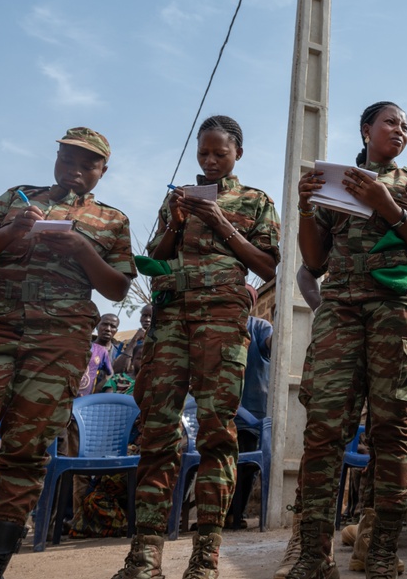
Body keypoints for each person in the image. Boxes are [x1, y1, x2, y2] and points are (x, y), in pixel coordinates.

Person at [0, 127, 135, 578]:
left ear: (103, 171)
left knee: (26, 453)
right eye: (68, 159)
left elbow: (118, 286)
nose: (76, 170)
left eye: (88, 164)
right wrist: (12, 230)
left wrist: (83, 250)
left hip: (59, 341)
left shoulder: (112, 220)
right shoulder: (17, 198)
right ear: (56, 159)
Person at [112, 115, 280, 579]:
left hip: (222, 322)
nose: (208, 161)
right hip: (171, 320)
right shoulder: (177, 199)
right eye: (203, 154)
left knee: (216, 432)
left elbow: (268, 266)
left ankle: (205, 553)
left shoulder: (257, 201)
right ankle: (144, 553)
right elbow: (156, 263)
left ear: (237, 154)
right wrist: (179, 220)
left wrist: (220, 221)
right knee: (157, 429)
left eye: (218, 153)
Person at [287, 100, 407, 579]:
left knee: (391, 429)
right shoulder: (338, 182)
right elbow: (312, 263)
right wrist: (305, 207)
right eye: (391, 122)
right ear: (366, 129)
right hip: (341, 313)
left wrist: (386, 206)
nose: (400, 131)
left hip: (397, 313)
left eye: (405, 126)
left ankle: (380, 553)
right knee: (324, 432)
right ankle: (313, 555)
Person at [226, 284, 274, 530]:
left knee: (245, 465)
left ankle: (236, 514)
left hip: (251, 413)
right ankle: (218, 514)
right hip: (222, 410)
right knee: (220, 461)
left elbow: (271, 344)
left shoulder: (260, 327)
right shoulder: (221, 327)